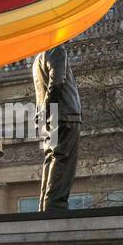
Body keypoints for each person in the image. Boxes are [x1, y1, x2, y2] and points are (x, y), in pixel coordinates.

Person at [33, 43, 83, 212]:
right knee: (63, 160)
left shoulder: (38, 57)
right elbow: (57, 82)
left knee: (51, 159)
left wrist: (43, 113)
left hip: (51, 117)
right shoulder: (57, 50)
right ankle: (55, 206)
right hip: (63, 114)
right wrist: (48, 109)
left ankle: (45, 206)